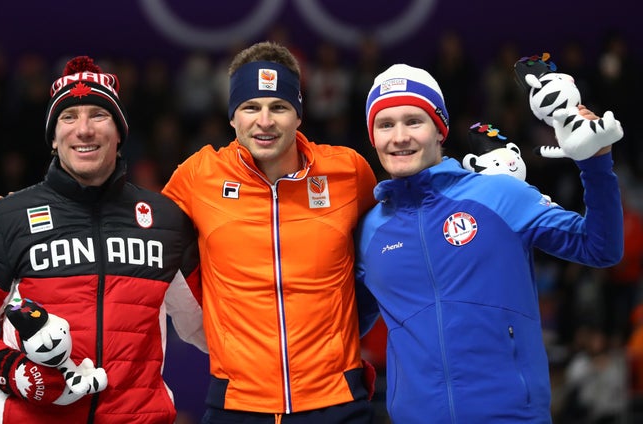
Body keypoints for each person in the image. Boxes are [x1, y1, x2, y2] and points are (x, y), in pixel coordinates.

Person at [0, 56, 206, 423]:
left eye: (98, 115)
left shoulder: (165, 221)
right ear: (53, 137)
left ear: (119, 133)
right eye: (68, 118)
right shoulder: (4, 220)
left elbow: (208, 326)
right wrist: (12, 370)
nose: (84, 130)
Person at [355, 63, 624, 423]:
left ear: (439, 130)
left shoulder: (499, 194)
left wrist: (595, 161)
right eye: (385, 125)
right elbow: (346, 325)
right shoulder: (371, 229)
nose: (399, 136)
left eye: (413, 121)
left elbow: (600, 247)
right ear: (373, 137)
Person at [161, 41, 380, 423]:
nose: (265, 121)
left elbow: (390, 243)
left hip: (337, 400)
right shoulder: (199, 176)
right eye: (251, 107)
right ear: (232, 117)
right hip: (236, 403)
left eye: (279, 107)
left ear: (298, 114)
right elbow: (136, 227)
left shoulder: (348, 172)